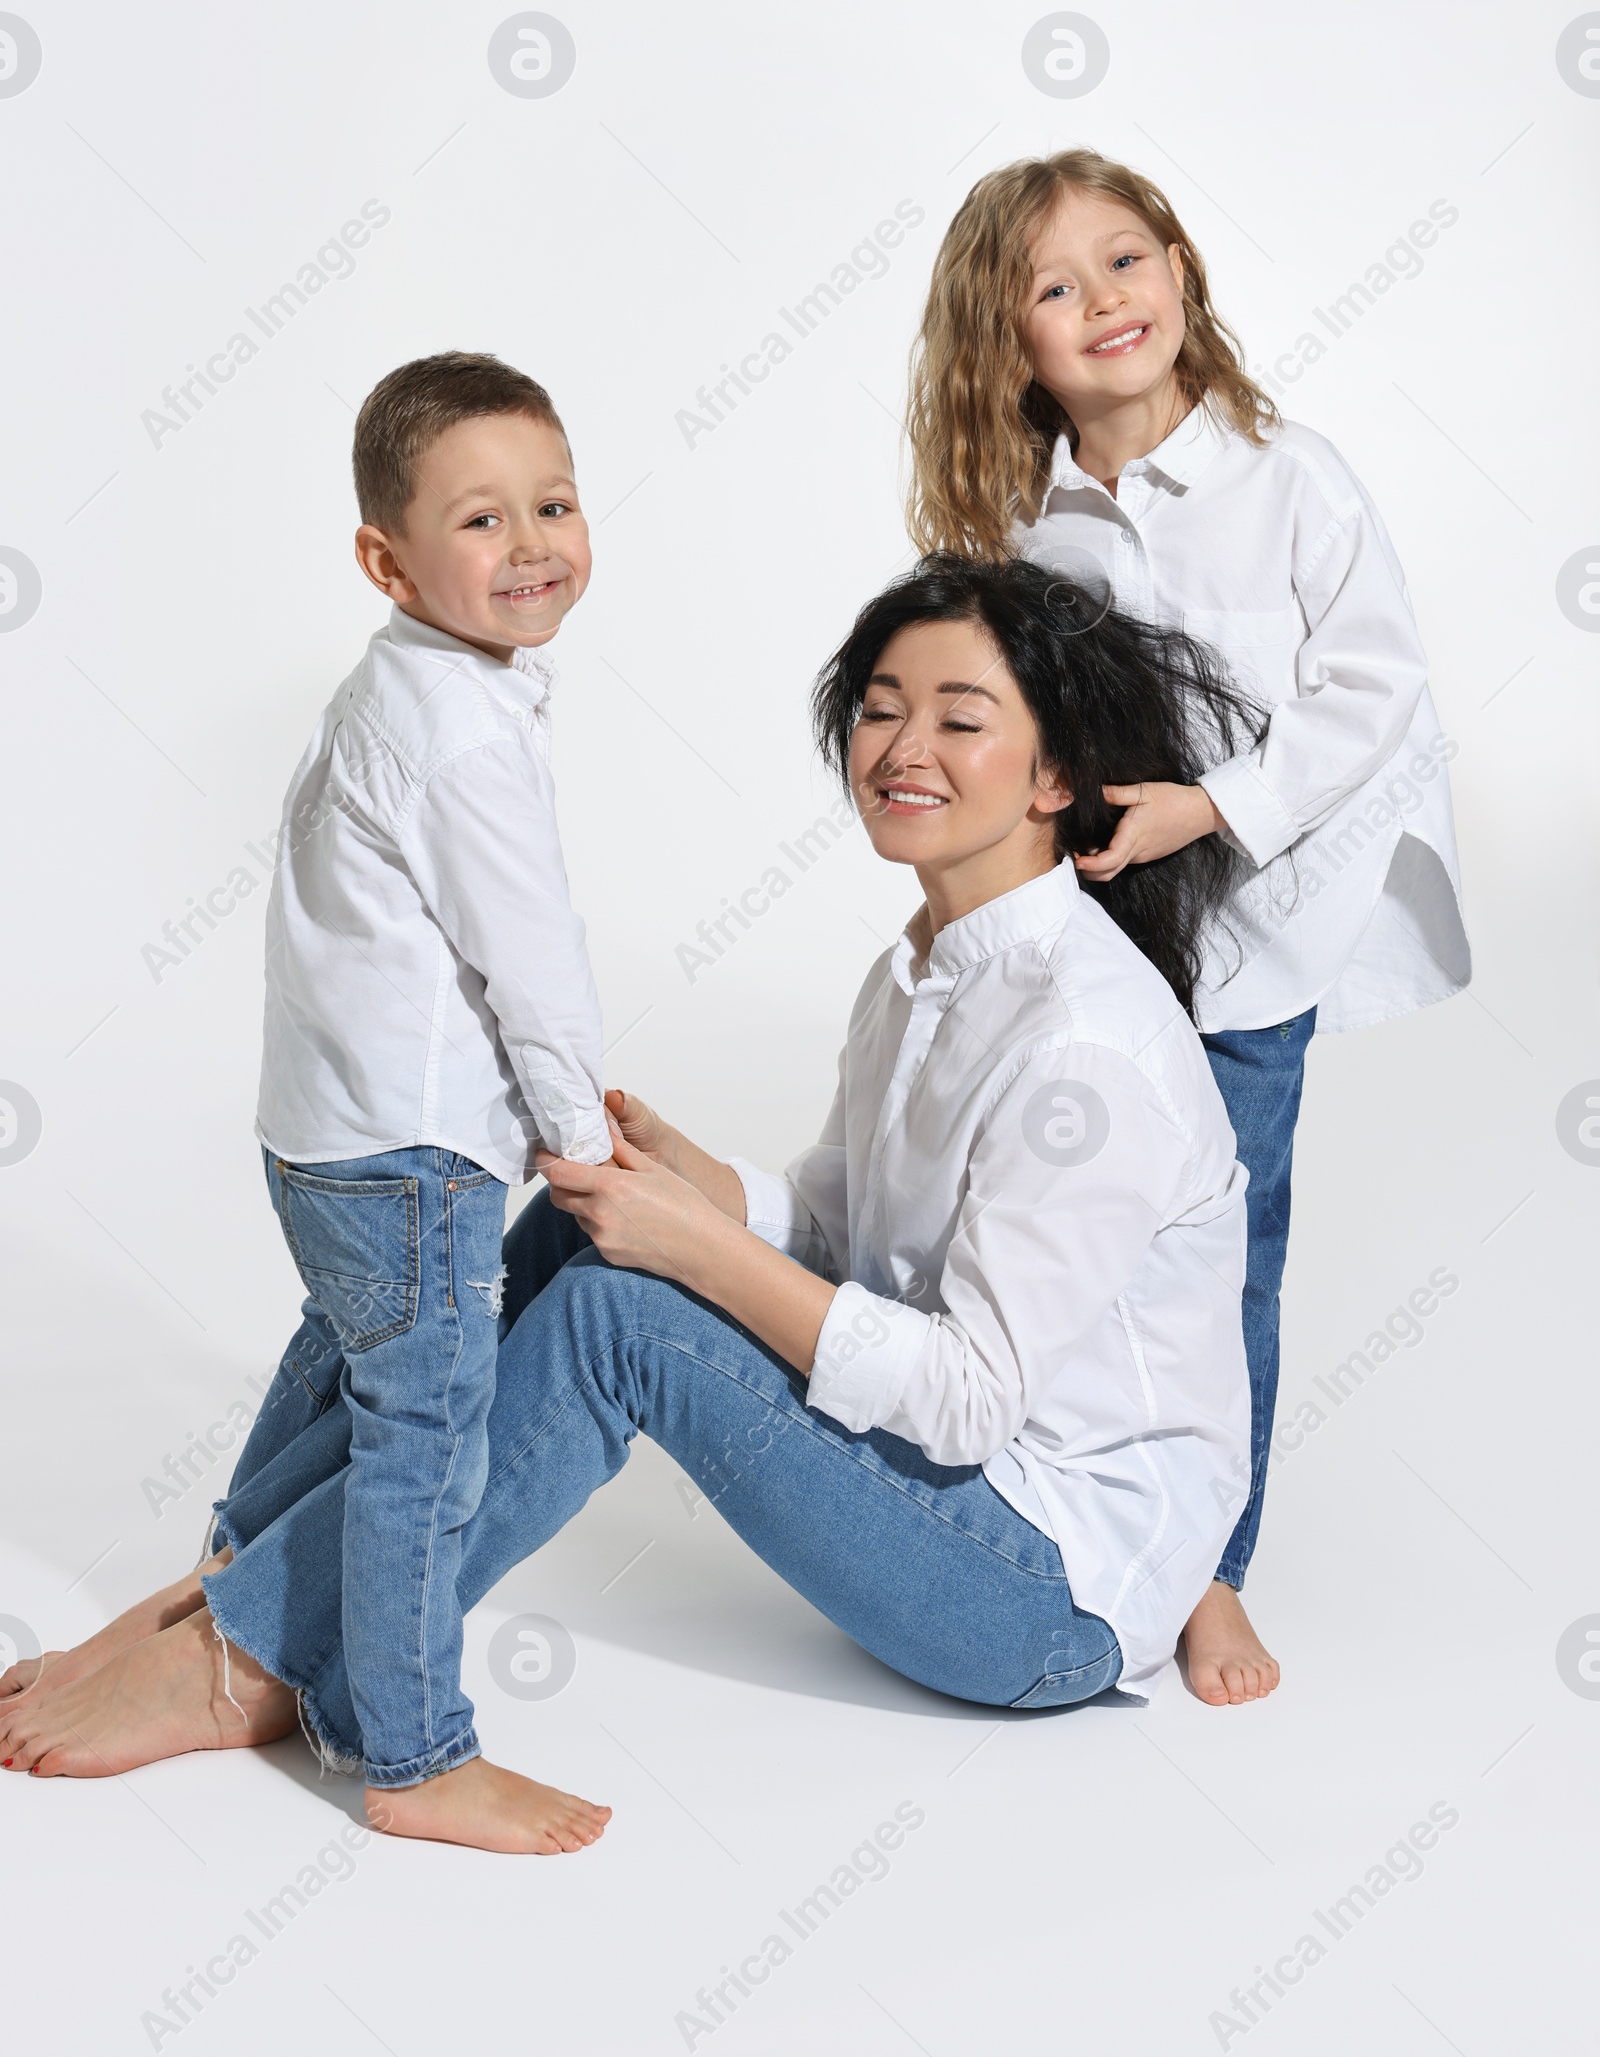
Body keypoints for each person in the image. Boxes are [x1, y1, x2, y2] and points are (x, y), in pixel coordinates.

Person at [2, 558, 1262, 1841]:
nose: (903, 747)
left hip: (1048, 1595)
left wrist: (695, 1249)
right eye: (882, 707)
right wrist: (686, 1182)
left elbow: (964, 1398)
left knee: (627, 1320)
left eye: (960, 717)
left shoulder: (1085, 1053)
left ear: (1055, 779)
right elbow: (841, 1232)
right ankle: (227, 1596)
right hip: (969, 1501)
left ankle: (249, 1658)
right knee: (577, 1220)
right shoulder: (918, 972)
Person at [905, 148, 1471, 1705]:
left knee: (1228, 1256)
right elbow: (995, 732)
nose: (1104, 302)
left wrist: (1211, 808)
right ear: (1004, 339)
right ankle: (1059, 1507)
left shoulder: (1290, 478)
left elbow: (1376, 689)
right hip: (1093, 945)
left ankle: (1212, 1567)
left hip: (1252, 945)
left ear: (1182, 272)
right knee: (1064, 1228)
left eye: (1127, 260)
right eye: (1055, 286)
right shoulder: (1031, 530)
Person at [236, 349, 616, 1852]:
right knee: (430, 1435)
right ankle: (412, 1751)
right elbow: (535, 967)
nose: (530, 545)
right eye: (481, 521)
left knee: (345, 1360)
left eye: (554, 503)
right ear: (385, 558)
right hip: (408, 1159)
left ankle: (228, 1579)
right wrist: (579, 1143)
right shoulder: (461, 731)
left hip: (324, 1134)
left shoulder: (409, 685)